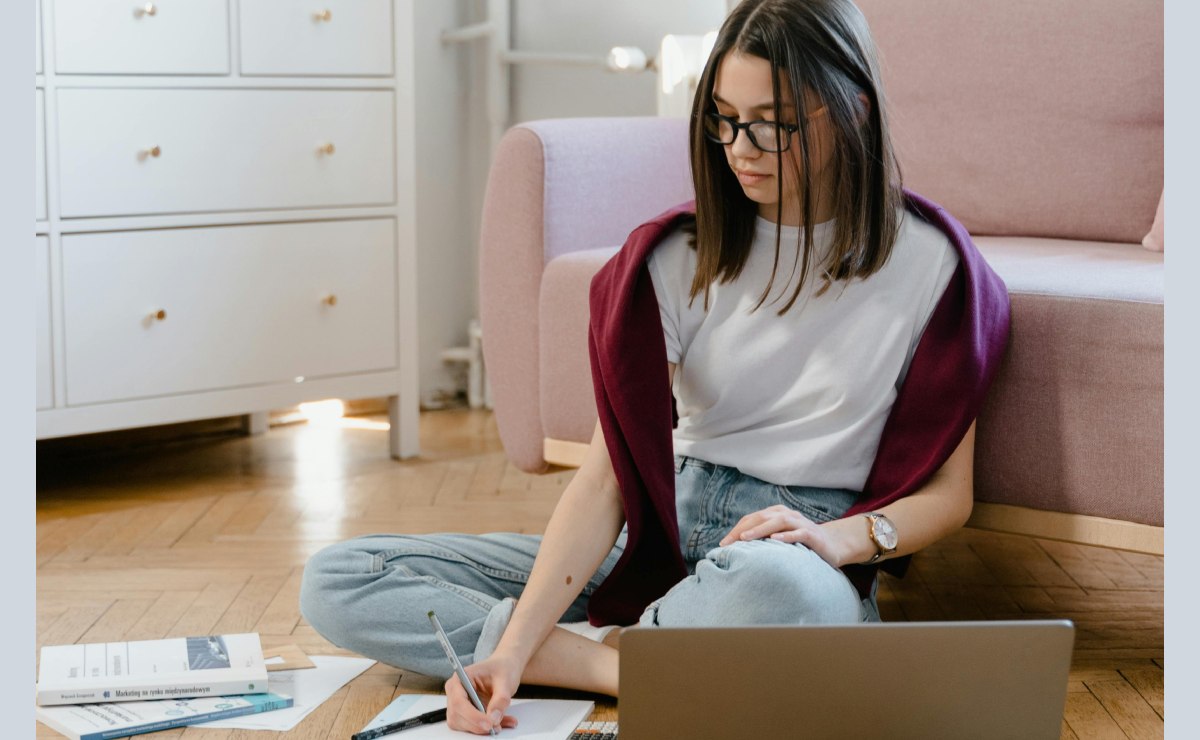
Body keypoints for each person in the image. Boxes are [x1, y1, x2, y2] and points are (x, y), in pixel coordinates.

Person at [299, 0, 1010, 735]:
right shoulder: (676, 257)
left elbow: (949, 495)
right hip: (660, 530)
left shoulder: (936, 268)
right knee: (341, 579)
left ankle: (606, 655)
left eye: (773, 123)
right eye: (724, 118)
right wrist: (512, 653)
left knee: (788, 598)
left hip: (791, 548)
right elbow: (608, 476)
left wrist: (842, 540)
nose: (741, 147)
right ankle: (621, 661)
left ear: (853, 110)